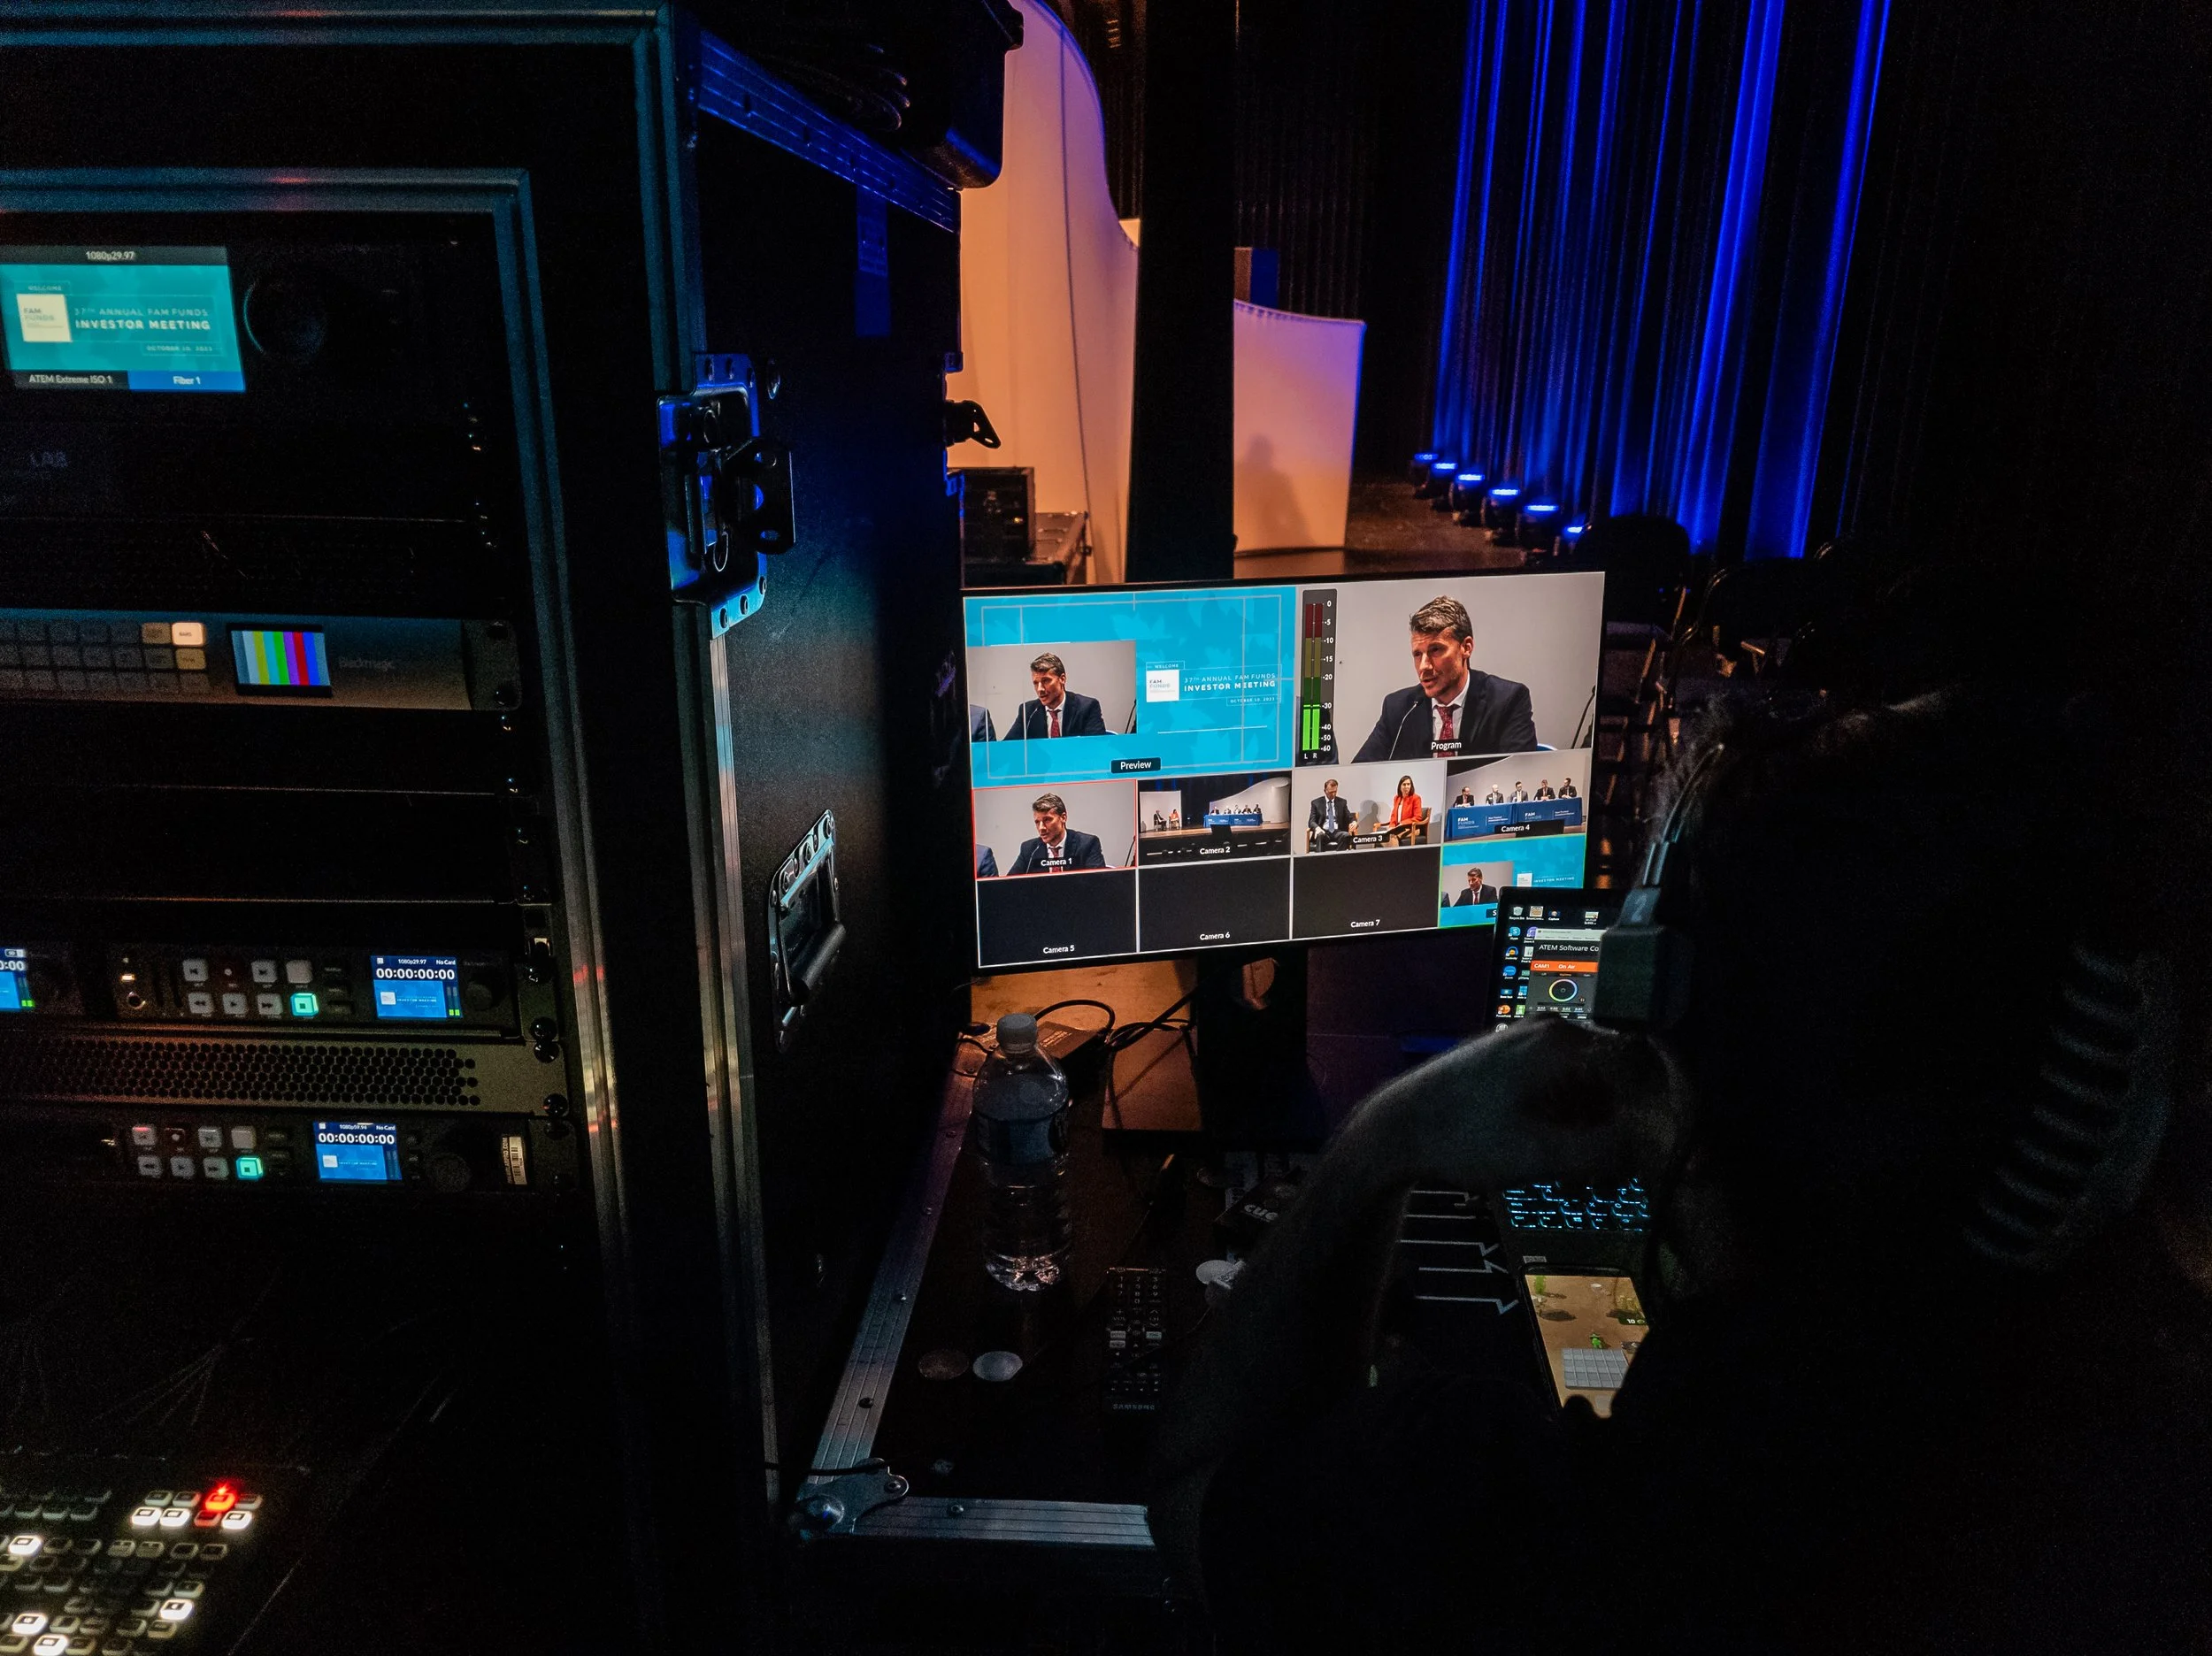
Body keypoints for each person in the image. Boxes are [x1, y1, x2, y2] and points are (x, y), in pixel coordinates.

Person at [1149, 691, 2212, 1655]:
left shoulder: (1544, 1516)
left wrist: (1387, 1140)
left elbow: (1196, 1499)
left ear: (1668, 1028)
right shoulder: (2144, 1481)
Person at [1352, 594, 1538, 763]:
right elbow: (1361, 772)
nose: (1424, 666)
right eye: (1417, 654)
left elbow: (1520, 777)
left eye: (1436, 650)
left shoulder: (1508, 700)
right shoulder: (1399, 709)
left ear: (1466, 647)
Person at [1003, 651, 1108, 740]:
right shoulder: (1028, 712)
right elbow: (1007, 749)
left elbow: (1096, 748)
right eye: (1036, 683)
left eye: (1046, 681)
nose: (1040, 689)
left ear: (1062, 679)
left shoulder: (1087, 707)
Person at [1007, 792, 1107, 873]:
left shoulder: (1087, 844)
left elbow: (1097, 884)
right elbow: (1009, 885)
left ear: (1063, 817)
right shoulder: (1030, 850)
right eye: (1037, 822)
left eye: (1047, 820)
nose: (1041, 828)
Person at [1307, 778, 1354, 849]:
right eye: (1331, 792)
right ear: (1325, 791)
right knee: (1320, 835)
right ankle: (1320, 859)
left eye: (1335, 791)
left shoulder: (1342, 802)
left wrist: (1354, 822)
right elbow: (1311, 822)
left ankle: (1339, 858)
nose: (1333, 794)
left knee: (1346, 835)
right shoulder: (1316, 803)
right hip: (1323, 831)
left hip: (1337, 832)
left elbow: (1349, 816)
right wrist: (1317, 828)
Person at [1381, 774, 1425, 846]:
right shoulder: (1397, 798)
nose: (1406, 787)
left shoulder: (1416, 798)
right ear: (1400, 787)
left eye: (1408, 784)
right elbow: (1393, 815)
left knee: (1392, 837)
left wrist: (1403, 823)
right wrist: (1391, 826)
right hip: (1397, 828)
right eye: (1404, 784)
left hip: (1412, 828)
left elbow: (1418, 817)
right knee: (1384, 837)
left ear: (1411, 786)